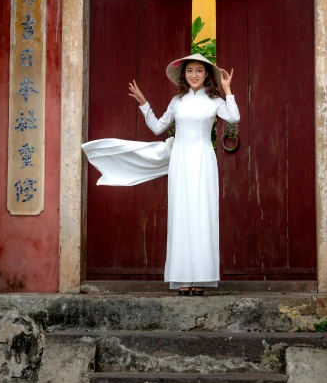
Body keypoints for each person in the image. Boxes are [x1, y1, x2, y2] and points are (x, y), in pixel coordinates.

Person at [82, 53, 240, 296]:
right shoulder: (177, 101)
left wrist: (228, 90)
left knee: (202, 214)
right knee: (181, 214)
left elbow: (234, 117)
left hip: (204, 160)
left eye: (199, 70)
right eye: (190, 71)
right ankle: (182, 278)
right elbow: (158, 127)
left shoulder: (215, 101)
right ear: (184, 76)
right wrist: (144, 103)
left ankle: (202, 277)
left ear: (207, 74)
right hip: (180, 160)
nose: (194, 75)